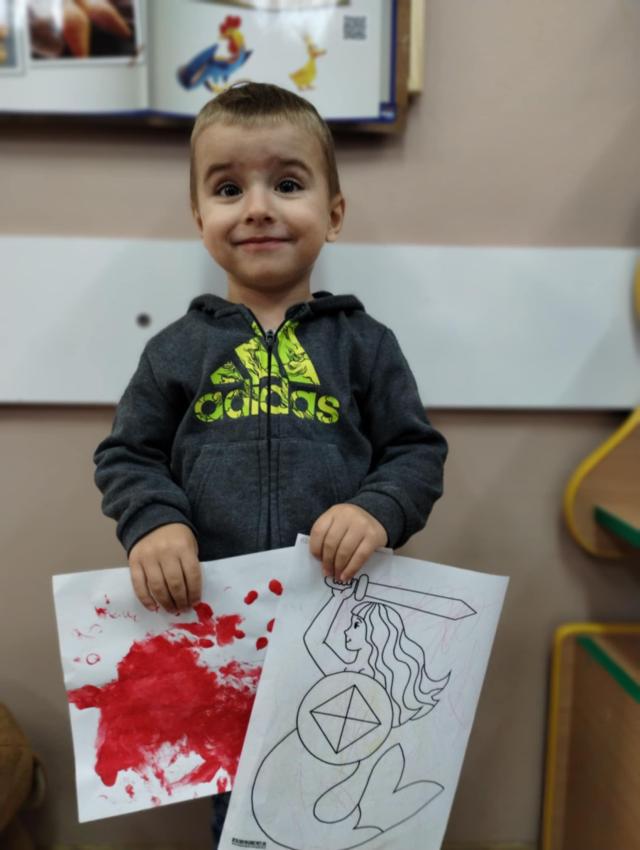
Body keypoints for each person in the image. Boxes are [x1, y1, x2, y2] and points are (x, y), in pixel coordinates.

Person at [93, 80, 447, 845]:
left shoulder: (365, 346)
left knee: (345, 803)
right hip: (220, 636)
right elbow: (127, 454)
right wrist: (154, 522)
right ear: (200, 219)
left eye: (287, 184)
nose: (256, 207)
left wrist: (376, 510)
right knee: (245, 815)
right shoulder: (175, 352)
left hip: (339, 630)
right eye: (228, 189)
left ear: (334, 213)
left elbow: (416, 454)